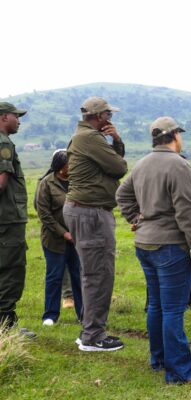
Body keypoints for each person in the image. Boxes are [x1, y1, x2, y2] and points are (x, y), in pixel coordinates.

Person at [116, 116, 191, 385]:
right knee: (172, 310)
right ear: (175, 135)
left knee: (156, 305)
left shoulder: (142, 163)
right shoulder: (179, 165)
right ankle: (180, 371)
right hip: (170, 246)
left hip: (144, 244)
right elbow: (187, 212)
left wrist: (137, 219)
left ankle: (158, 360)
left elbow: (122, 195)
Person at [63, 96, 127, 351]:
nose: (110, 118)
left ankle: (89, 331)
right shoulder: (90, 138)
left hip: (85, 211)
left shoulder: (85, 137)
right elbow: (119, 167)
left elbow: (112, 166)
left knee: (93, 273)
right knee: (98, 274)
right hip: (90, 212)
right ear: (100, 116)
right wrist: (117, 141)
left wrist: (115, 142)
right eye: (108, 114)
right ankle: (93, 336)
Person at [35, 150, 83, 326]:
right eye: (69, 164)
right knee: (54, 276)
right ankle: (50, 315)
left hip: (77, 239)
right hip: (54, 240)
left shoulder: (77, 181)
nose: (72, 167)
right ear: (60, 167)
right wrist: (64, 233)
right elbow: (44, 214)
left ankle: (83, 314)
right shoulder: (46, 184)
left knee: (78, 276)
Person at [0, 102, 35, 338]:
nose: (19, 121)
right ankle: (6, 326)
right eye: (16, 116)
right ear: (4, 117)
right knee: (11, 270)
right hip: (8, 220)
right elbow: (1, 183)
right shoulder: (3, 143)